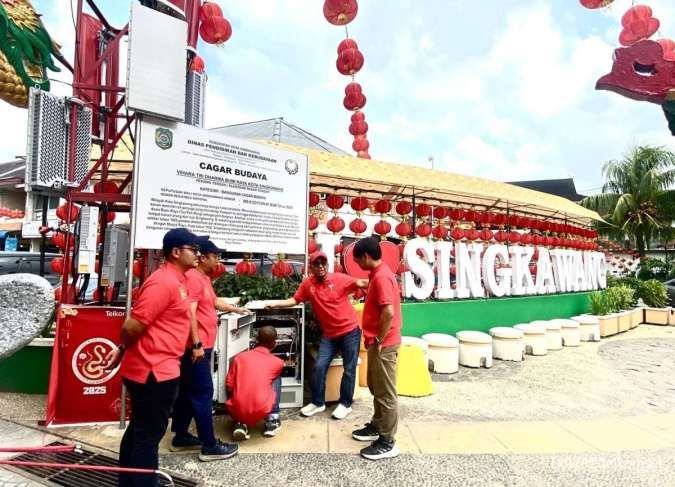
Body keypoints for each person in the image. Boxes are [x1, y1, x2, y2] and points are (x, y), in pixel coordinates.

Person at [104, 229, 237, 487]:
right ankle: (142, 482)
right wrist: (121, 348)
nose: (198, 254)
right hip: (152, 371)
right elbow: (134, 326)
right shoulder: (162, 282)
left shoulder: (179, 281)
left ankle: (131, 481)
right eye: (193, 249)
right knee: (148, 435)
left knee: (141, 431)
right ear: (176, 252)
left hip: (160, 369)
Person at [267, 251, 368, 420]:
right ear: (311, 267)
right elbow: (295, 299)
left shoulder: (339, 279)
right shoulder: (308, 285)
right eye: (317, 264)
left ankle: (345, 404)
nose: (320, 266)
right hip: (330, 334)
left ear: (327, 265)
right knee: (319, 366)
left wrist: (383, 282)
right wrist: (275, 304)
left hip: (350, 331)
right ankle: (318, 402)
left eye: (323, 263)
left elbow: (361, 282)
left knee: (349, 370)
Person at [170, 239, 246, 461]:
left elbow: (213, 302)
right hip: (197, 348)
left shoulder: (203, 278)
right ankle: (209, 445)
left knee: (186, 393)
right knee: (203, 393)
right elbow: (189, 312)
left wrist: (236, 309)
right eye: (215, 256)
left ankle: (181, 436)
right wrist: (196, 344)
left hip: (200, 346)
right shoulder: (193, 278)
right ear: (203, 257)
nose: (218, 260)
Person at [350, 237, 402, 460]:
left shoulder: (381, 278)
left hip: (384, 344)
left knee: (386, 393)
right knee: (376, 386)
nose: (357, 264)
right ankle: (378, 425)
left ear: (365, 257)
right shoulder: (376, 275)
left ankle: (387, 441)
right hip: (377, 342)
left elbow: (388, 313)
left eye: (356, 260)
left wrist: (379, 340)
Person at [226, 326, 283, 439]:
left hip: (236, 409)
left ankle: (240, 423)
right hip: (262, 408)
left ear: (256, 339)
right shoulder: (278, 362)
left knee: (236, 379)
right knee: (276, 378)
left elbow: (229, 386)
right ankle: (272, 420)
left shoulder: (239, 358)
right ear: (274, 343)